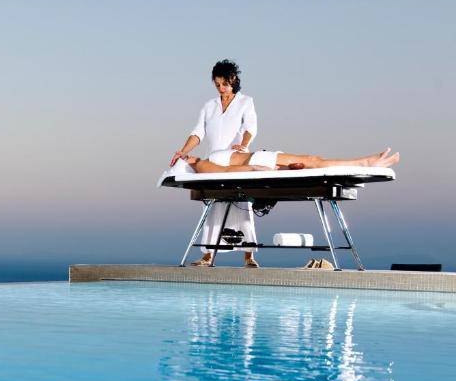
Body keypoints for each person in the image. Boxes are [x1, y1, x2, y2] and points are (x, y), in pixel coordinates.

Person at [169, 60, 259, 267]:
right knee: (214, 206)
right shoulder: (209, 106)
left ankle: (249, 256)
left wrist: (243, 145)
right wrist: (183, 151)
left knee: (242, 204)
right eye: (217, 84)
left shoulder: (246, 101)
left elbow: (250, 126)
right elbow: (198, 132)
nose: (221, 88)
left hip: (235, 159)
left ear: (233, 79)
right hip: (214, 161)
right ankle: (209, 255)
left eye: (224, 84)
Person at [187, 147, 400, 173]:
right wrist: (255, 169)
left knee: (311, 160)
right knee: (312, 160)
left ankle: (366, 162)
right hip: (260, 160)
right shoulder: (201, 164)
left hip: (260, 157)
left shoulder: (209, 156)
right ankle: (365, 163)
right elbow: (225, 173)